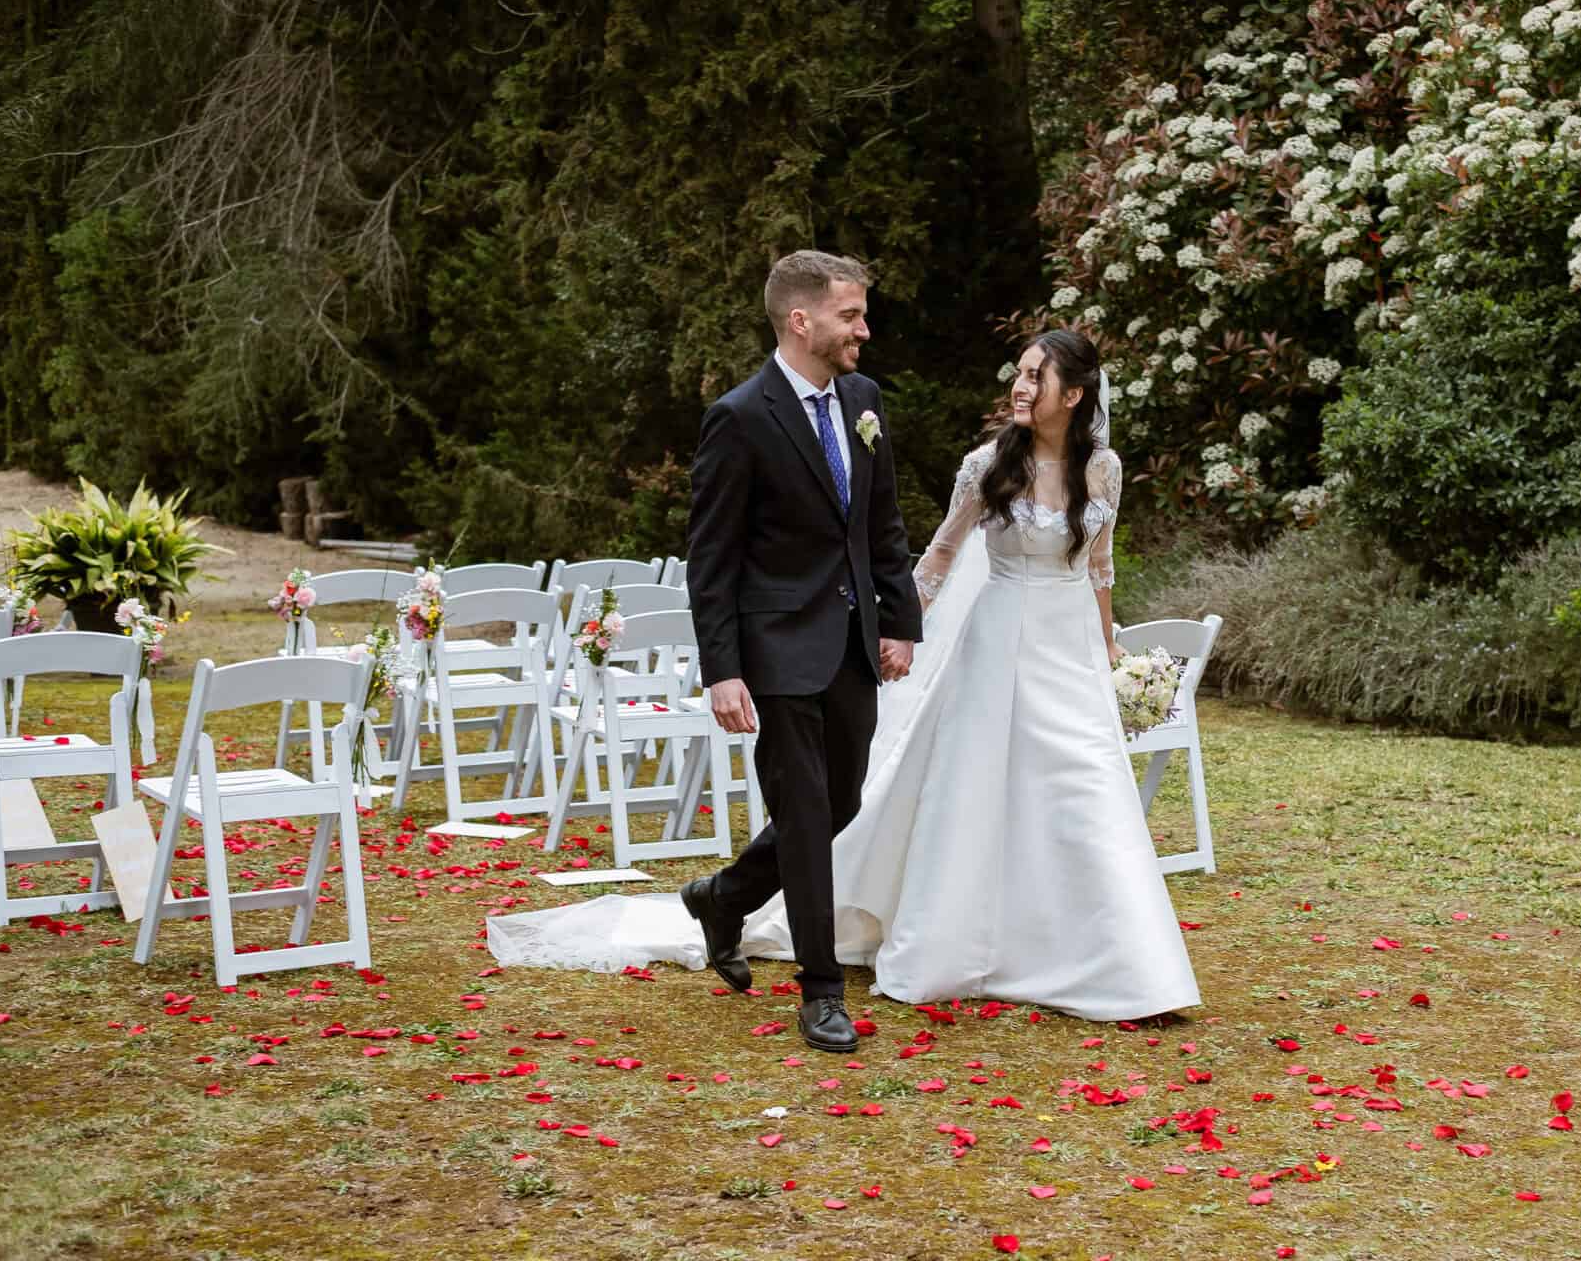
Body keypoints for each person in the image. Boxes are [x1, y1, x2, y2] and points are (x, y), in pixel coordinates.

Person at [485, 328, 1199, 1024]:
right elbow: (936, 557)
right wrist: (894, 627)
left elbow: (1098, 566)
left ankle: (1122, 965)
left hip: (1067, 649)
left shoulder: (1103, 470)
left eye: (1035, 376)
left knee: (1084, 788)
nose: (1019, 385)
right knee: (973, 790)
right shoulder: (990, 465)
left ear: (1073, 394)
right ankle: (947, 943)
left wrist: (1108, 654)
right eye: (1017, 370)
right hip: (999, 643)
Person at [677, 250, 923, 1052]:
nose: (865, 329)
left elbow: (881, 525)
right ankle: (821, 992)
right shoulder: (740, 417)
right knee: (808, 814)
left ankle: (724, 896)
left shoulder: (863, 400)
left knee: (842, 800)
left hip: (852, 644)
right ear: (801, 320)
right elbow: (712, 560)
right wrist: (723, 669)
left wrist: (900, 620)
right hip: (776, 648)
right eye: (851, 315)